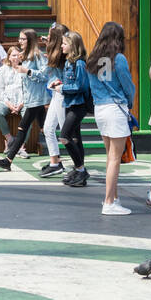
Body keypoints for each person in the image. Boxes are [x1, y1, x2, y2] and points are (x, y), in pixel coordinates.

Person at [83, 21, 137, 216]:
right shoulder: (119, 59)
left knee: (110, 157)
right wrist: (130, 103)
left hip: (100, 109)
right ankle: (108, 202)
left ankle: (113, 197)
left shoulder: (92, 59)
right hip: (116, 109)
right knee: (115, 159)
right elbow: (128, 85)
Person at [0, 29, 51, 169]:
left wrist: (27, 71)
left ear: (30, 40)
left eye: (23, 39)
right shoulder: (26, 56)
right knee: (42, 129)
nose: (20, 41)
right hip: (31, 98)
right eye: (19, 39)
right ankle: (8, 161)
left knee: (25, 129)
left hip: (36, 99)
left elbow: (44, 75)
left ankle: (59, 161)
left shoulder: (37, 56)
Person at [57, 31, 92, 186]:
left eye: (64, 43)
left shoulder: (79, 63)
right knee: (76, 138)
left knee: (64, 136)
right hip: (69, 103)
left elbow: (80, 86)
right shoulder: (68, 62)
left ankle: (81, 169)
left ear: (72, 45)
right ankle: (79, 171)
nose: (61, 46)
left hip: (78, 104)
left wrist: (63, 88)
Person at [40, 23, 68, 172]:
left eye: (50, 34)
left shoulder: (61, 54)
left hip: (62, 94)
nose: (47, 36)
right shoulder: (57, 51)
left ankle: (79, 166)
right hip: (56, 94)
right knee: (48, 128)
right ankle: (55, 162)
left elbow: (45, 71)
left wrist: (27, 71)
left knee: (66, 132)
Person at [0, 45, 26, 150]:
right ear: (9, 57)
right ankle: (9, 139)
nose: (16, 58)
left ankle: (21, 147)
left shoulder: (25, 69)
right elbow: (0, 91)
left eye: (18, 55)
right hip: (6, 100)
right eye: (13, 55)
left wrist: (20, 105)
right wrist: (10, 105)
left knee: (28, 116)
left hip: (23, 101)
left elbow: (28, 91)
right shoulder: (2, 70)